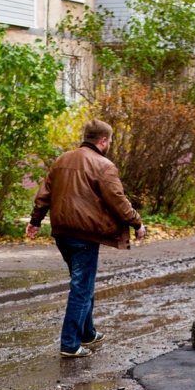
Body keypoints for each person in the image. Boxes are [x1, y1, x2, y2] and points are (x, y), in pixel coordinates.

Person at [27, 120, 146, 358]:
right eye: (109, 141)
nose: (109, 144)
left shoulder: (61, 160)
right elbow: (118, 201)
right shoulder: (104, 166)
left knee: (83, 282)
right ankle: (70, 344)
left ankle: (87, 333)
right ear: (103, 141)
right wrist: (137, 223)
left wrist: (35, 221)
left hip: (62, 233)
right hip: (84, 235)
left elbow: (44, 195)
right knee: (81, 287)